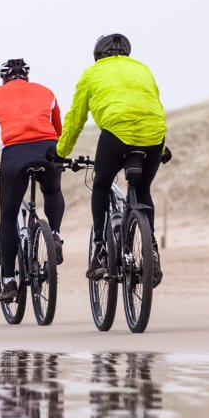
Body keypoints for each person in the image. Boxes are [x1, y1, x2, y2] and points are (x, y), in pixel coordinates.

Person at [53, 34, 171, 284]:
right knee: (143, 190)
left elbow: (76, 118)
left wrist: (61, 152)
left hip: (116, 135)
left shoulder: (91, 73)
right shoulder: (142, 69)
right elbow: (151, 107)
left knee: (101, 184)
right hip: (154, 136)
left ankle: (100, 251)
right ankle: (151, 249)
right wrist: (162, 148)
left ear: (97, 54)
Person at [0, 58, 65, 301]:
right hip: (48, 149)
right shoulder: (46, 91)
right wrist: (61, 158)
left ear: (3, 78)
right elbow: (59, 130)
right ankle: (56, 235)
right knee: (52, 191)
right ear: (26, 77)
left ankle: (8, 281)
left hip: (15, 154)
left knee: (8, 216)